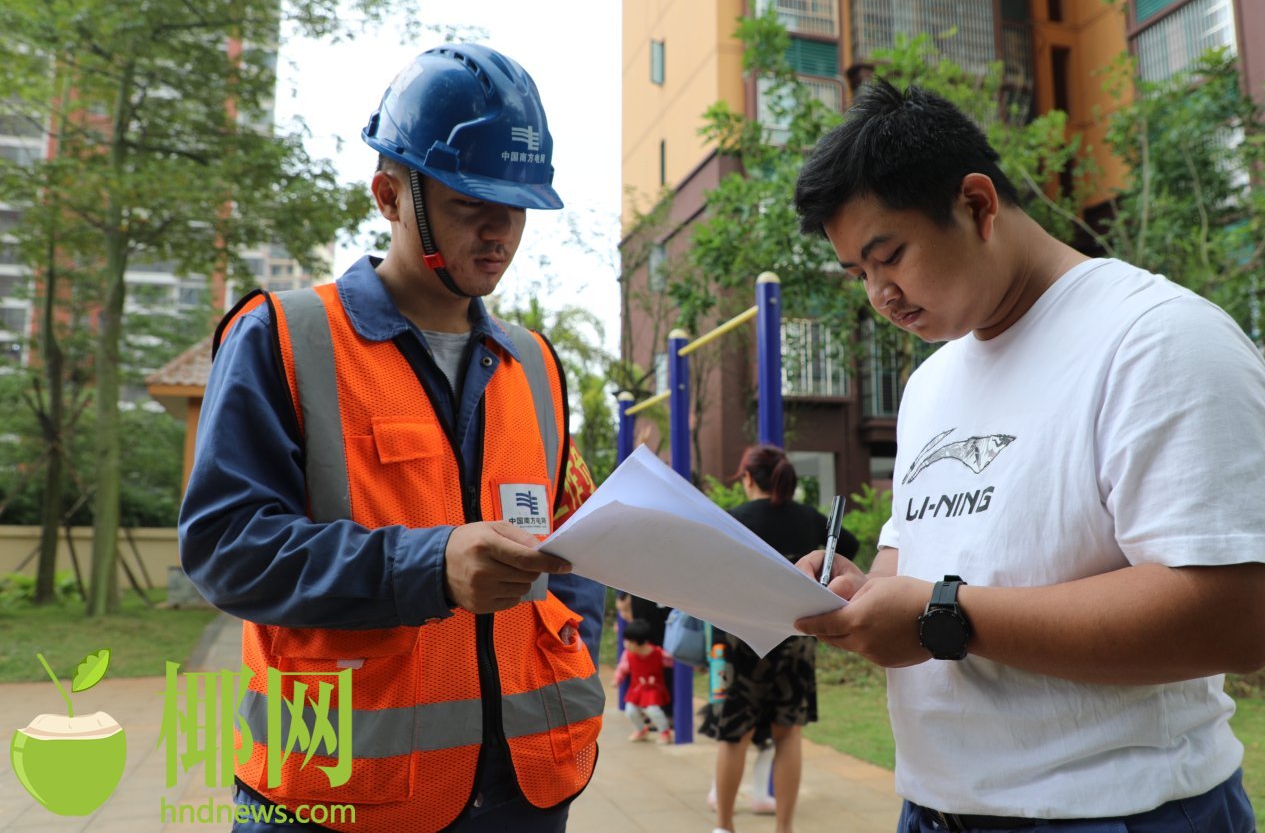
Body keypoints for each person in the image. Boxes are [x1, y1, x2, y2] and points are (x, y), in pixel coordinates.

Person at [791, 80, 1265, 832]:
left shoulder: (1158, 339)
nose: (879, 295)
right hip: (933, 809)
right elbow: (915, 560)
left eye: (888, 256)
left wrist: (940, 618)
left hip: (1117, 811)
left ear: (977, 204)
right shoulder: (931, 383)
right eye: (858, 274)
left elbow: (1232, 620)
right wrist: (858, 594)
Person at [178, 44, 606, 833]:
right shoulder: (286, 338)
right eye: (469, 199)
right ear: (389, 195)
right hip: (335, 797)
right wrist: (429, 566)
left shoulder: (536, 366)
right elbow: (224, 548)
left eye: (516, 205)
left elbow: (570, 545)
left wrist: (577, 647)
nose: (499, 229)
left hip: (527, 790)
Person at [701, 444, 858, 833]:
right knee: (789, 735)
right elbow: (848, 546)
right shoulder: (809, 519)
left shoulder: (732, 519)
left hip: (742, 638)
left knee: (734, 732)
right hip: (797, 635)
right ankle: (784, 828)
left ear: (749, 479)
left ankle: (724, 827)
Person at [612, 618, 674, 743]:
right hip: (637, 689)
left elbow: (671, 662)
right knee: (630, 711)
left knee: (653, 710)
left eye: (630, 642)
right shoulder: (628, 655)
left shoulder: (658, 653)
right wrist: (617, 679)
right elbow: (622, 668)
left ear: (642, 642)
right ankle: (641, 730)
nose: (626, 645)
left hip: (653, 689)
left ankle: (664, 732)